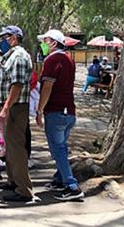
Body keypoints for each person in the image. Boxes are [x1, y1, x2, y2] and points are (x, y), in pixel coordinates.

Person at [36, 29, 85, 201]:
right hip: (68, 111)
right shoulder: (69, 59)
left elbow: (48, 86)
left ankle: (72, 186)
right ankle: (60, 179)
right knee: (61, 148)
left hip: (56, 111)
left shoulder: (52, 60)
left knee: (58, 150)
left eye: (46, 40)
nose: (43, 44)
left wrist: (39, 110)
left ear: (54, 43)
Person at [0, 25, 33, 202]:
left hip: (16, 108)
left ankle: (23, 190)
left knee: (16, 148)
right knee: (10, 146)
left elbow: (17, 86)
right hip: (10, 106)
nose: (3, 41)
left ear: (14, 38)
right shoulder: (10, 57)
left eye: (6, 37)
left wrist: (6, 107)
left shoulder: (19, 57)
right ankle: (13, 181)